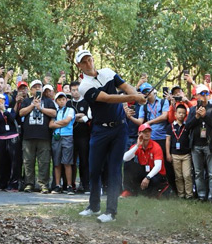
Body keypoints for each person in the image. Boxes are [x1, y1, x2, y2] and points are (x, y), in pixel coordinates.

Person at [75, 50, 146, 223]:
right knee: (94, 169)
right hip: (100, 130)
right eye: (84, 62)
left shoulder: (108, 72)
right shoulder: (84, 86)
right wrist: (132, 97)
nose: (88, 63)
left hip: (119, 129)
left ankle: (111, 212)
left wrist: (135, 95)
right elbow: (106, 98)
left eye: (89, 59)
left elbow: (124, 85)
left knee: (114, 170)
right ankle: (94, 206)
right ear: (79, 66)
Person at [19, 80, 56, 193]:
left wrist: (41, 108)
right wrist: (32, 105)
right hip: (28, 136)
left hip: (44, 136)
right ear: (31, 90)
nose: (37, 89)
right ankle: (29, 184)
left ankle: (43, 185)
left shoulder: (48, 101)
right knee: (28, 161)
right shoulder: (26, 101)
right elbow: (21, 113)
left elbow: (54, 113)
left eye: (39, 87)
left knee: (44, 162)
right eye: (35, 87)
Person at [185, 85, 212, 202]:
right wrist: (197, 117)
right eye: (201, 94)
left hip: (209, 144)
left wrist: (205, 116)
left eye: (206, 93)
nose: (204, 96)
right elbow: (187, 126)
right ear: (196, 95)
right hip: (196, 145)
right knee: (198, 172)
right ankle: (201, 194)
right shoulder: (193, 110)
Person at [122, 123, 169, 197]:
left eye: (148, 131)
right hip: (145, 170)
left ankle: (158, 189)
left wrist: (147, 178)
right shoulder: (137, 146)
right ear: (139, 133)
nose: (147, 134)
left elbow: (158, 166)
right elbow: (125, 158)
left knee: (151, 193)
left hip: (157, 174)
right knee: (128, 164)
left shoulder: (156, 147)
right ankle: (128, 190)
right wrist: (137, 146)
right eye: (144, 132)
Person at [0, 93, 20, 190]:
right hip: (1, 138)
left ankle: (13, 183)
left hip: (12, 137)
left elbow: (12, 118)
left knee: (13, 161)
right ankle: (2, 182)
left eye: (2, 100)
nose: (0, 102)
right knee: (2, 162)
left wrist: (4, 110)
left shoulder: (10, 109)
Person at [67, 81, 91, 194]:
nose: (76, 92)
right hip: (70, 136)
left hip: (84, 136)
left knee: (84, 161)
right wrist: (77, 116)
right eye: (73, 90)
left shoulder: (87, 102)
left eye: (77, 89)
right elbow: (67, 119)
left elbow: (88, 118)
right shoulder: (68, 104)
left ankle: (85, 185)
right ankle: (70, 185)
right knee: (70, 162)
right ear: (70, 91)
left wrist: (81, 117)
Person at [50, 92, 76, 194]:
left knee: (67, 162)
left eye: (63, 99)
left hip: (67, 136)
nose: (61, 101)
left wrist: (56, 123)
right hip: (56, 137)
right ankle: (57, 185)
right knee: (57, 162)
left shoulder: (70, 110)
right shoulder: (55, 111)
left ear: (66, 100)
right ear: (56, 101)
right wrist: (58, 124)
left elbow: (67, 121)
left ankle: (69, 185)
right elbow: (50, 125)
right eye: (59, 99)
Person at [165, 104, 193, 199]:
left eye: (183, 113)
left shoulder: (187, 126)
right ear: (175, 114)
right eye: (179, 113)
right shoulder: (170, 127)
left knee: (187, 175)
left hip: (186, 155)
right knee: (178, 176)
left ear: (186, 115)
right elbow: (168, 141)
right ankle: (181, 194)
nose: (181, 115)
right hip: (175, 155)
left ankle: (189, 194)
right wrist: (168, 154)